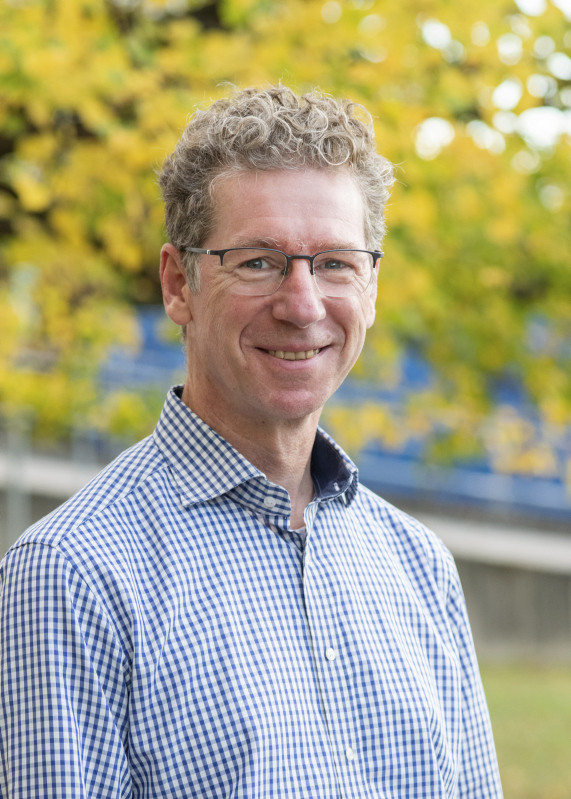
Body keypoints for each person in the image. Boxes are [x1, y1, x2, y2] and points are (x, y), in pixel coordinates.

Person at [0, 85, 502, 798]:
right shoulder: (73, 575)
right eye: (259, 261)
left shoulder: (419, 567)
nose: (302, 305)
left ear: (370, 286)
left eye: (334, 262)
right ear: (180, 284)